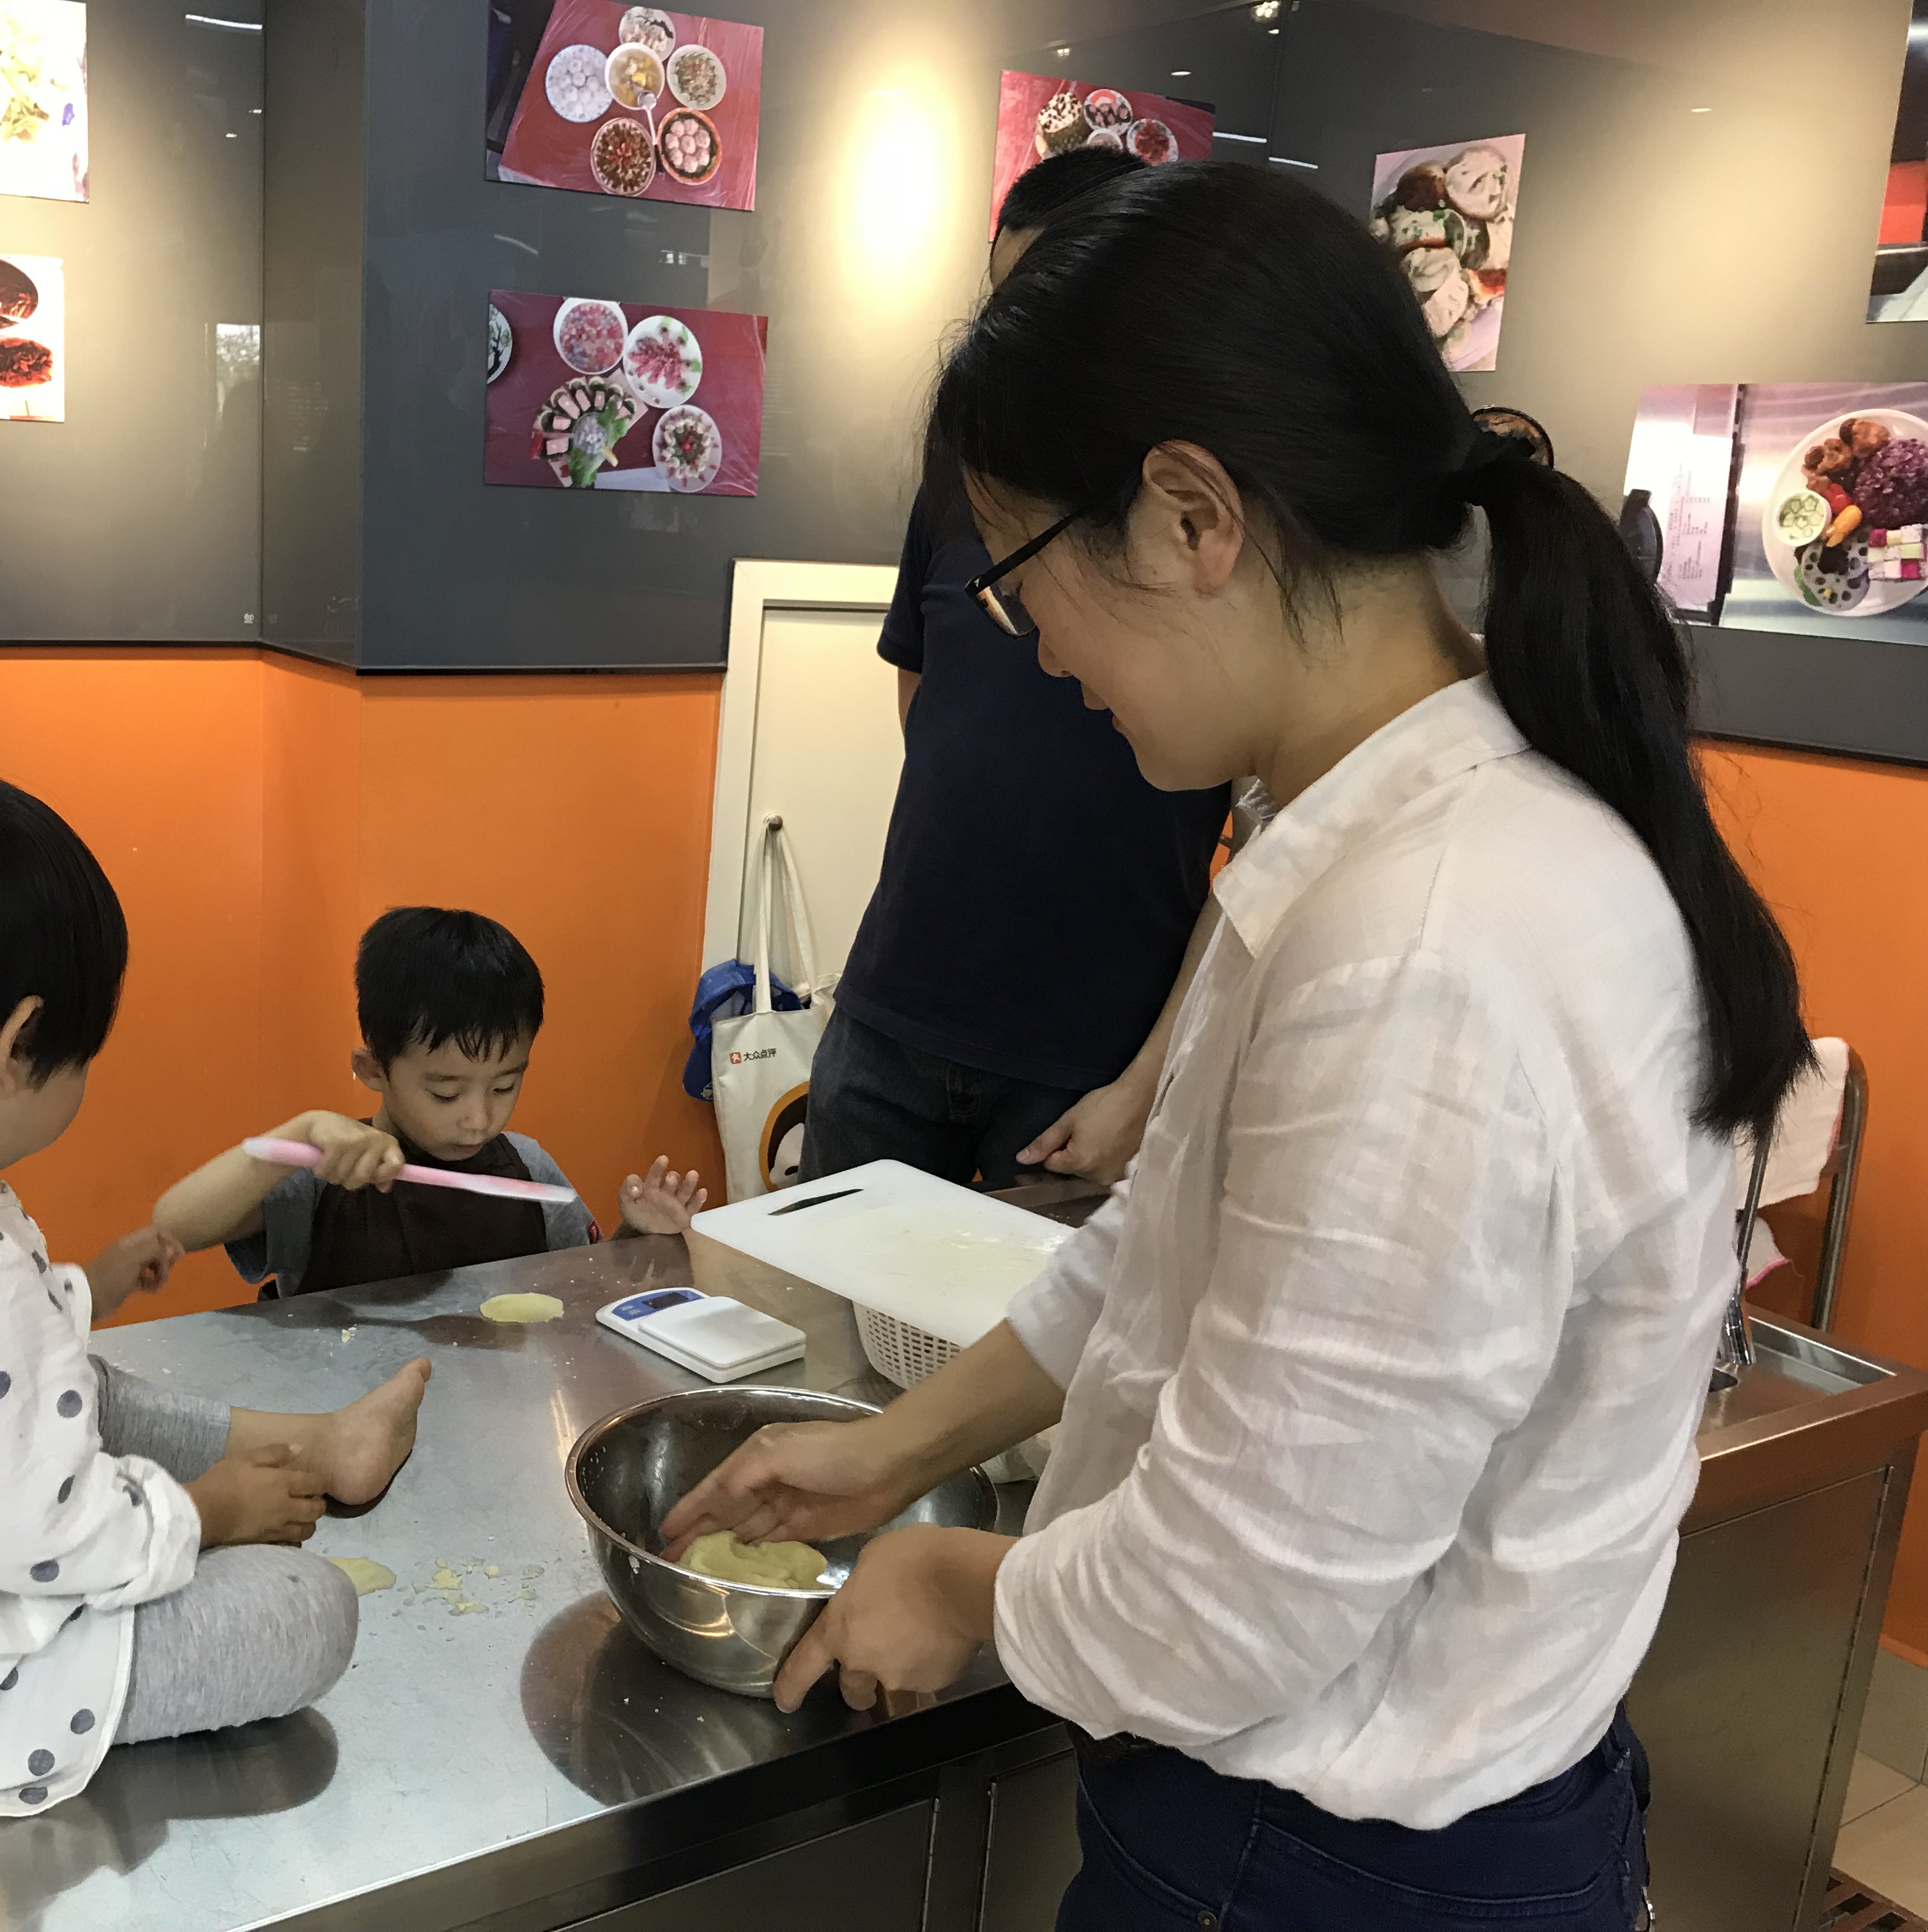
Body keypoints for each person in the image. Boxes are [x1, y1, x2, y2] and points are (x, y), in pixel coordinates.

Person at [662, 161, 1809, 1929]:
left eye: (1022, 577)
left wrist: (960, 1587)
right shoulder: (1384, 836)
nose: (1033, 648)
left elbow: (1237, 1602)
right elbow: (1165, 1249)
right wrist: (894, 1452)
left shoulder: (1427, 947)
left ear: (1193, 516)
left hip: (1328, 1873)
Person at [0, 772, 432, 1819]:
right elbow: (40, 1541)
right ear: (20, 1044)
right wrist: (208, 1512)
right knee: (306, 1609)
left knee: (79, 1383)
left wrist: (80, 1288)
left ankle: (321, 1443)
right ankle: (287, 1462)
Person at [807, 146, 1236, 1193]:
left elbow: (1269, 848)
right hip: (898, 1002)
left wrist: (1144, 1080)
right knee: (814, 1283)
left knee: (1041, 1300)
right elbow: (925, 696)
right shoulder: (963, 478)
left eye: (1039, 302)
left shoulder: (1205, 519)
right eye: (998, 303)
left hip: (1084, 1056)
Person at [155, 907, 707, 1297]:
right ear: (374, 1070)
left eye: (504, 1087)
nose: (480, 1119)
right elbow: (174, 1225)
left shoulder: (525, 1166)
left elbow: (580, 1285)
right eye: (446, 1092)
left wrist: (638, 1237)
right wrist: (299, 1134)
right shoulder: (330, 1177)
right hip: (344, 1416)